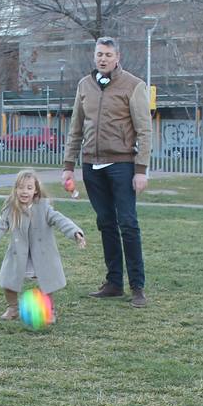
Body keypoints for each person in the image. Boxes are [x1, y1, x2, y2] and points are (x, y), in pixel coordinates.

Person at [61, 36, 152, 308]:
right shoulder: (84, 86)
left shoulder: (134, 86)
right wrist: (69, 166)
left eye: (108, 55)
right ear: (94, 56)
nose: (103, 59)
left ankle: (137, 287)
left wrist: (141, 170)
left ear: (117, 57)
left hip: (123, 166)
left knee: (128, 223)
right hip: (92, 165)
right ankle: (114, 282)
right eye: (99, 54)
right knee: (105, 223)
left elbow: (145, 130)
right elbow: (76, 128)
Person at [0, 169, 85, 322]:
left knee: (46, 283)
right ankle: (12, 308)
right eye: (20, 187)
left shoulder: (43, 207)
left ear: (35, 191)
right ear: (15, 189)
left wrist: (75, 232)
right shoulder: (10, 208)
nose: (24, 191)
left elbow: (60, 220)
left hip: (41, 253)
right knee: (8, 282)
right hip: (18, 253)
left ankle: (49, 311)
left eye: (29, 188)